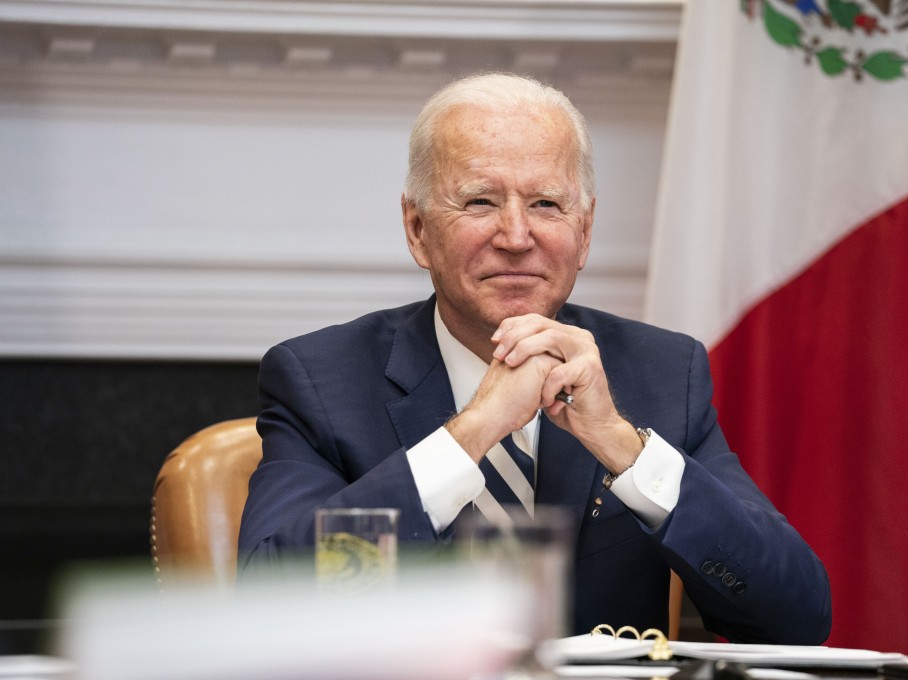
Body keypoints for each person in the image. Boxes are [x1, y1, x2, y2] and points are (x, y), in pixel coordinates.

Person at [238, 72, 831, 644]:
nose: (517, 236)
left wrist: (624, 447)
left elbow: (797, 617)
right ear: (417, 230)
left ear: (585, 230)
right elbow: (274, 601)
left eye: (547, 203)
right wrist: (472, 432)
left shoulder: (661, 373)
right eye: (479, 202)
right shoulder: (321, 378)